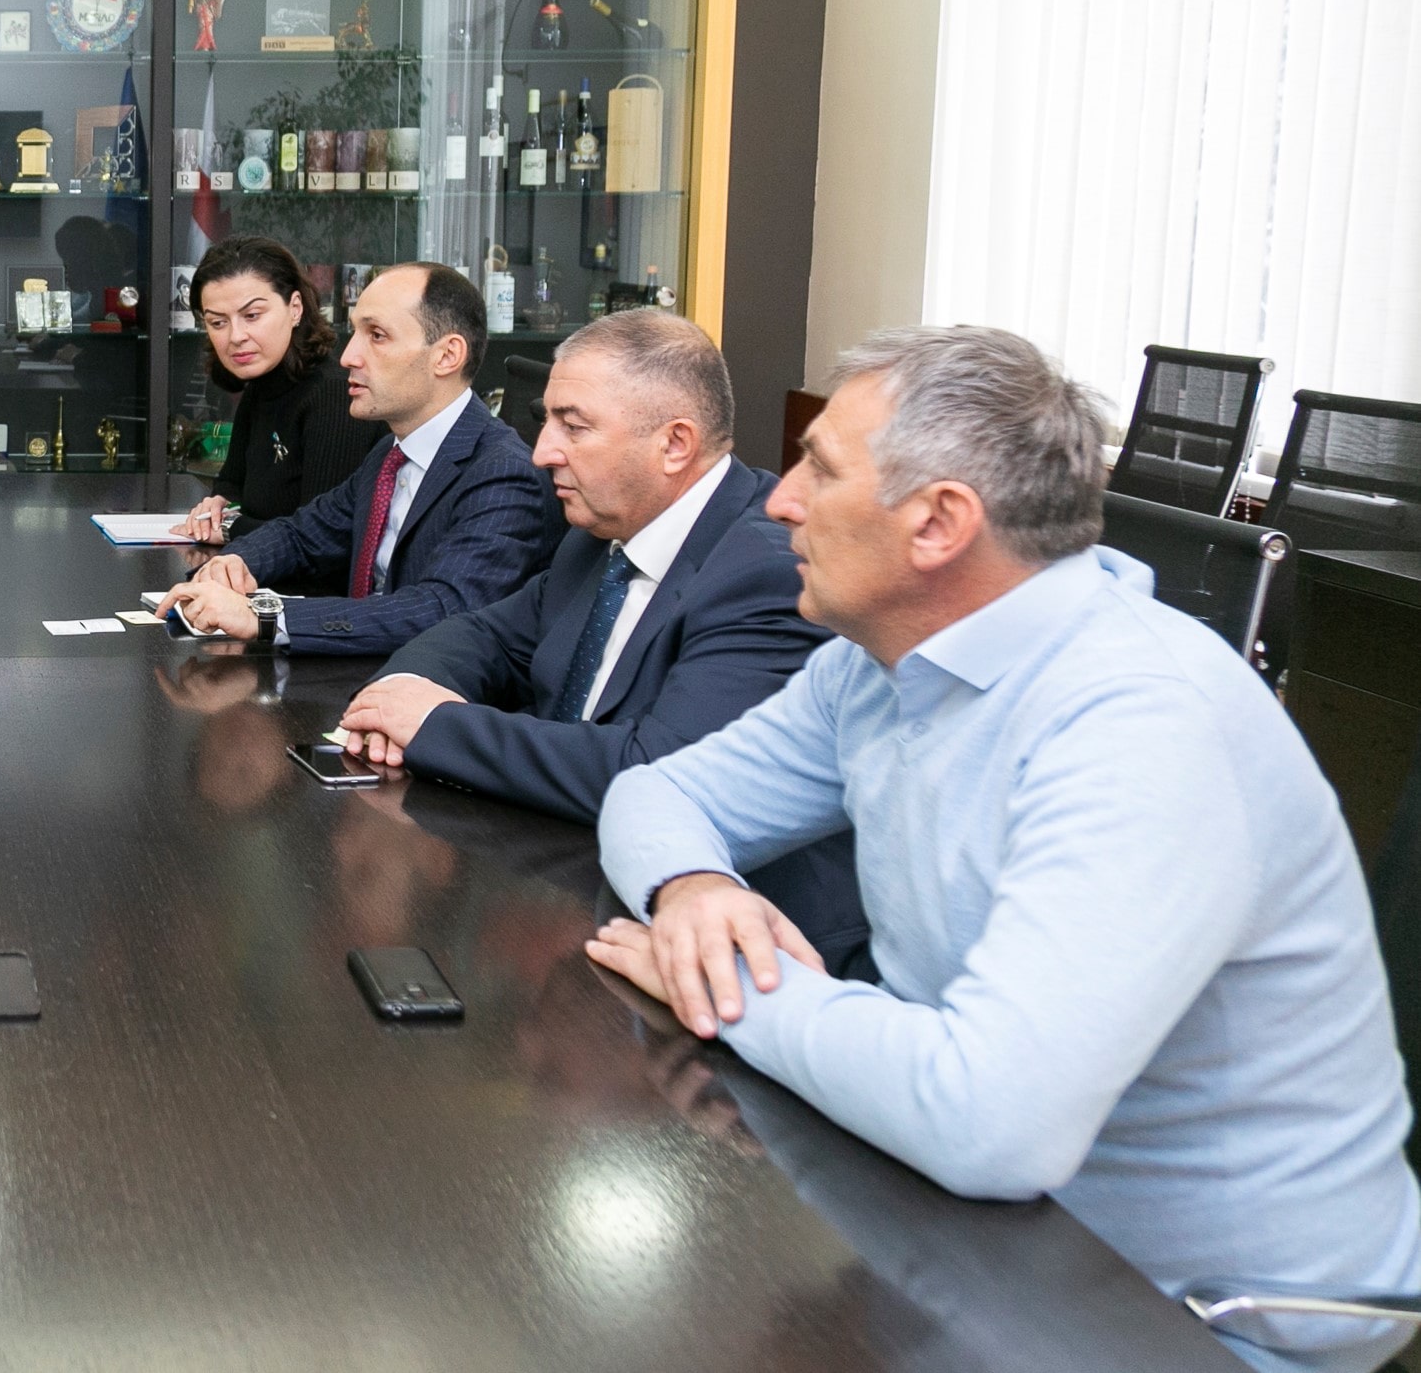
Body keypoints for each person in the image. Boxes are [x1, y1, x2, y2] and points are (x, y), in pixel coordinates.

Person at [585, 325, 1421, 1373]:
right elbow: (656, 792)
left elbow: (986, 1122)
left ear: (938, 523)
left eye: (821, 470)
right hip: (986, 1240)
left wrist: (723, 984)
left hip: (1210, 1323)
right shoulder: (882, 660)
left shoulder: (1140, 724)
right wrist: (695, 886)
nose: (779, 501)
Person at [331, 310, 866, 976]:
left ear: (674, 444)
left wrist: (433, 725)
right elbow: (483, 633)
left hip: (740, 955)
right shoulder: (596, 533)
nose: (541, 452)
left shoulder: (766, 571)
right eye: (547, 421)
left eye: (573, 426)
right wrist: (399, 691)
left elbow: (655, 769)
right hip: (570, 885)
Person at [159, 262, 560, 656]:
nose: (349, 356)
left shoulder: (503, 474)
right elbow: (304, 535)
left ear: (446, 355)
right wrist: (236, 561)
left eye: (377, 336)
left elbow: (441, 610)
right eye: (355, 334)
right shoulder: (392, 454)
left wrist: (265, 616)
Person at [168, 236, 384, 545]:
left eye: (252, 316)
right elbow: (231, 482)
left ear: (295, 308)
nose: (236, 336)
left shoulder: (334, 394)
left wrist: (230, 528)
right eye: (217, 322)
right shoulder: (262, 383)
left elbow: (321, 539)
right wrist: (216, 505)